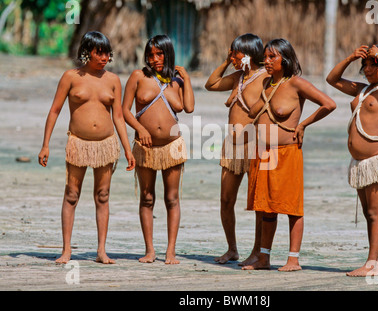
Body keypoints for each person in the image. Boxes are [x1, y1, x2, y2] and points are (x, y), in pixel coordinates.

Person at [38, 31, 136, 264]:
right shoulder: (71, 77)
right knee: (71, 195)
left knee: (102, 196)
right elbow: (54, 110)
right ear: (87, 52)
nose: (103, 57)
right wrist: (45, 145)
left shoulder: (113, 80)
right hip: (78, 144)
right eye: (98, 52)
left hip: (105, 144)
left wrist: (127, 149)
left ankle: (101, 251)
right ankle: (66, 250)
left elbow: (119, 117)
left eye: (106, 53)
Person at [242, 38, 336, 272]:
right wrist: (243, 81)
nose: (267, 60)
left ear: (284, 59)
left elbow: (329, 104)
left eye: (272, 57)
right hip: (263, 153)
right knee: (267, 207)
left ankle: (293, 259)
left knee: (292, 207)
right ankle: (264, 258)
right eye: (265, 56)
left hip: (287, 153)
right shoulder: (266, 84)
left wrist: (303, 124)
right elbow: (251, 111)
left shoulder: (296, 84)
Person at [326, 45, 378, 277]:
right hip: (359, 164)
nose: (368, 69)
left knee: (376, 214)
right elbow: (332, 79)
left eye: (373, 65)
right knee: (370, 213)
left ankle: (371, 264)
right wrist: (351, 57)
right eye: (365, 65)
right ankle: (375, 261)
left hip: (377, 160)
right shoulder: (362, 90)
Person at [122, 35, 194, 264]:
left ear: (168, 53)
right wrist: (140, 129)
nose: (155, 59)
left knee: (172, 198)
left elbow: (189, 108)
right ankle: (150, 250)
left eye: (160, 54)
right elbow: (124, 111)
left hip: (172, 147)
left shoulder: (177, 81)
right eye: (151, 54)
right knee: (147, 197)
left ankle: (170, 251)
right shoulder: (138, 76)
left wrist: (187, 79)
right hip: (145, 146)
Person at [204, 33, 269, 265]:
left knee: (257, 203)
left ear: (249, 54)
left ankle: (257, 252)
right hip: (231, 147)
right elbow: (210, 84)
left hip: (254, 145)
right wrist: (226, 61)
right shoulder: (238, 78)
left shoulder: (265, 77)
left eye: (236, 53)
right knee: (226, 199)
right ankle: (232, 248)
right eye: (231, 52)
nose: (233, 57)